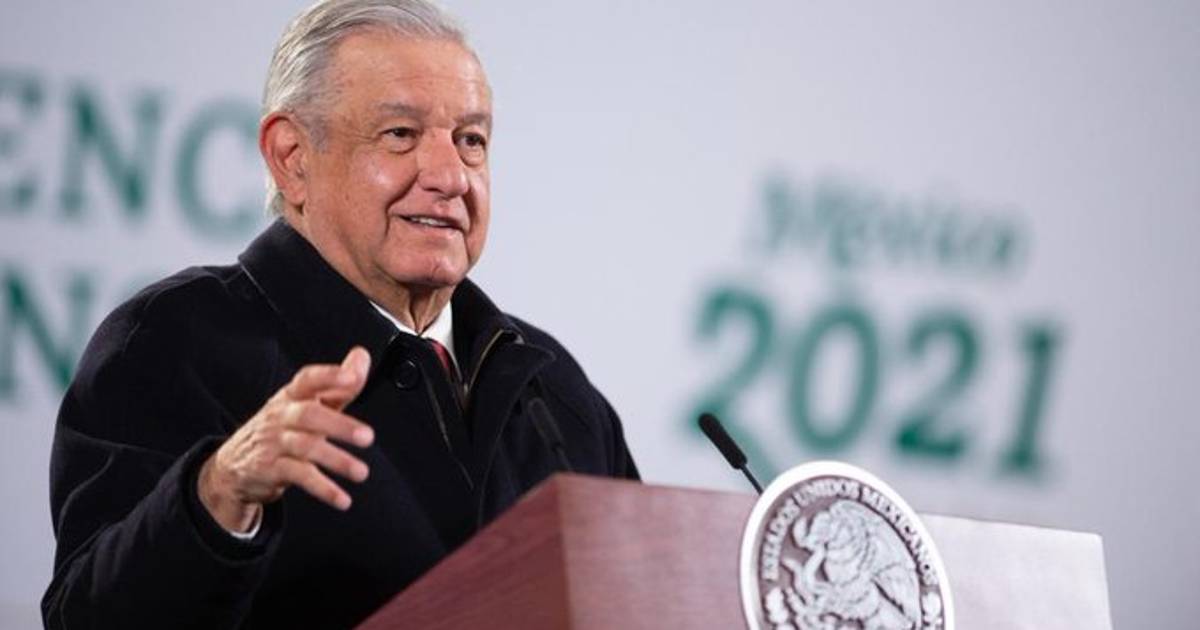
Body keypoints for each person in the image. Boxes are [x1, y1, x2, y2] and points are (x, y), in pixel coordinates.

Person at [42, 1, 639, 628]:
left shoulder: (552, 388)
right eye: (400, 134)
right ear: (292, 157)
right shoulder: (173, 342)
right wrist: (217, 495)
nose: (450, 177)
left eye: (470, 141)